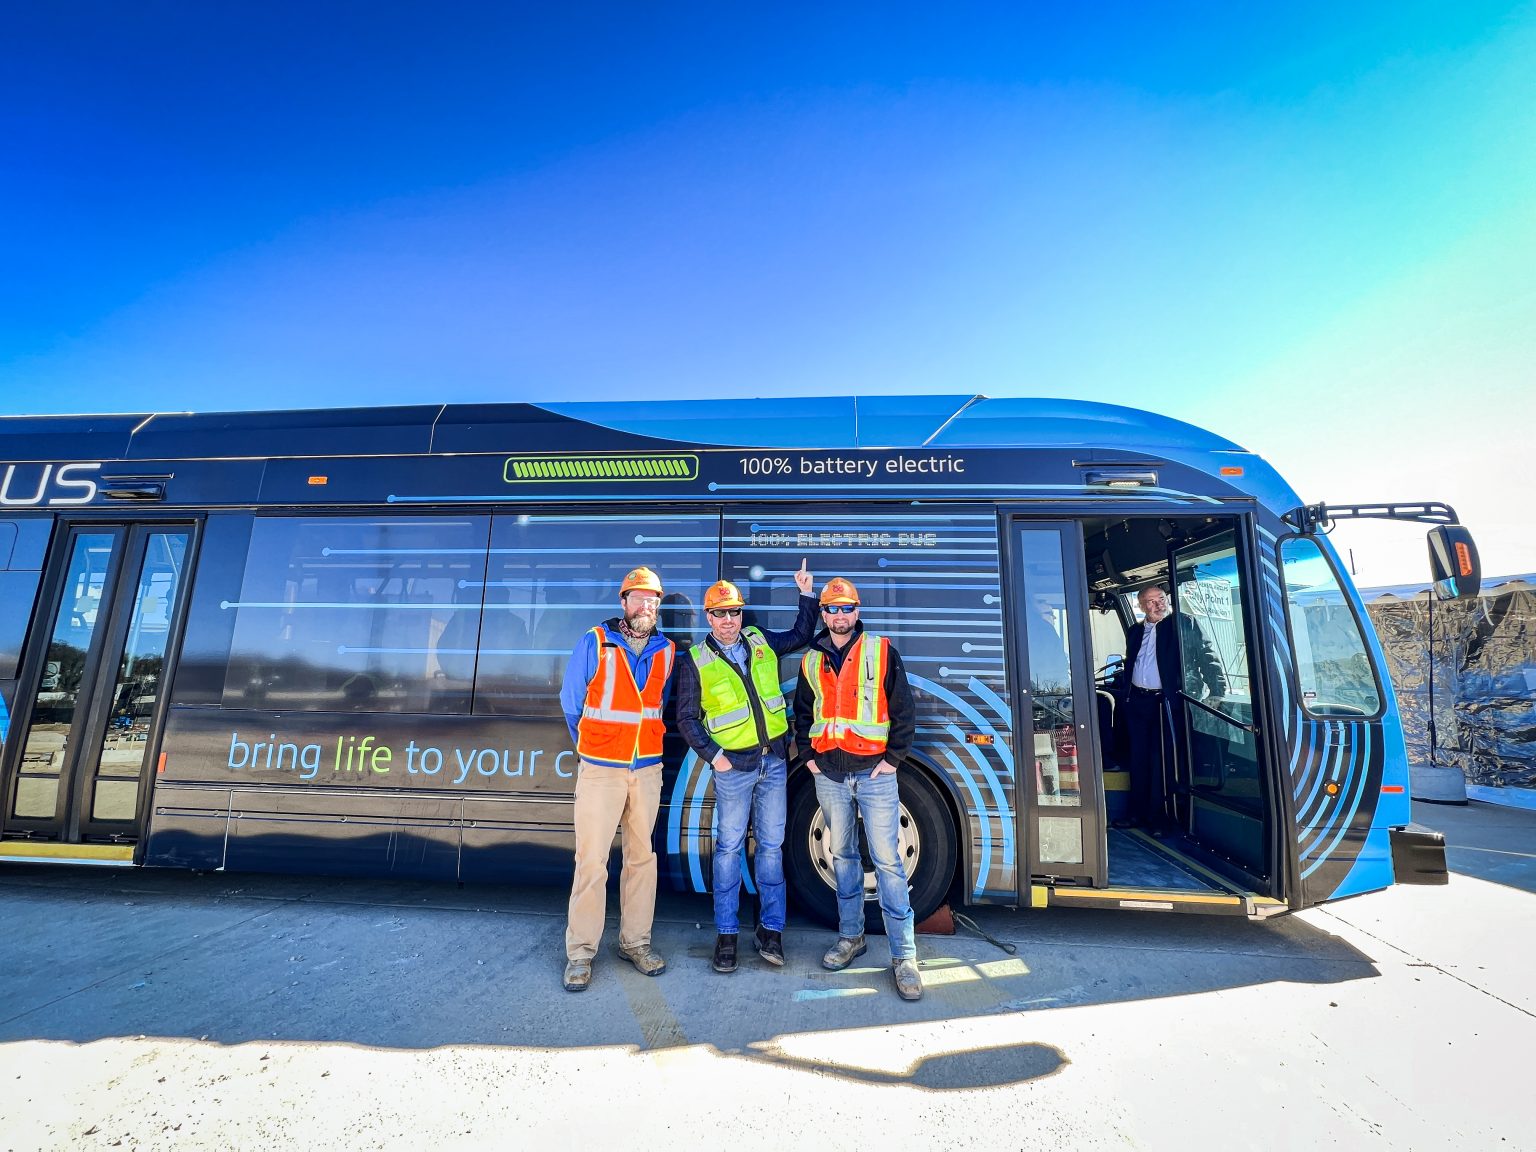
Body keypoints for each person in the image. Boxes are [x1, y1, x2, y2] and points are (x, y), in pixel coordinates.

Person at [675, 561, 818, 974]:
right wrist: (715, 757)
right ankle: (726, 935)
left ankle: (770, 931)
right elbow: (686, 718)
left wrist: (806, 595)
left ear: (742, 614)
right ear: (708, 617)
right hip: (733, 769)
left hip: (773, 762)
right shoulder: (695, 660)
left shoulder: (759, 641)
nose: (728, 620)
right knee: (728, 850)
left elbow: (800, 635)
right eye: (719, 613)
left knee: (771, 850)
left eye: (734, 611)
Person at [791, 577, 922, 1001]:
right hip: (829, 773)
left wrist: (893, 760)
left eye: (846, 608)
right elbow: (803, 712)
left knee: (887, 862)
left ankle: (904, 956)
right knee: (843, 856)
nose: (839, 616)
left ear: (857, 610)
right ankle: (851, 938)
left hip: (874, 775)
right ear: (824, 613)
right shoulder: (812, 659)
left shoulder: (881, 651)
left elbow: (903, 709)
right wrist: (810, 759)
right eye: (831, 609)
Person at [558, 565, 676, 992]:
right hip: (601, 770)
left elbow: (656, 707)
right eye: (639, 597)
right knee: (591, 862)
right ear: (623, 603)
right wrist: (595, 748)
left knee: (642, 859)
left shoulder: (666, 650)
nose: (647, 605)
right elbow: (572, 703)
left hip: (646, 769)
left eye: (654, 599)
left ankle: (635, 943)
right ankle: (580, 954)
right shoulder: (595, 642)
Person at [1118, 584, 1227, 836]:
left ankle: (1159, 819)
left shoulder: (1182, 624)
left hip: (1165, 703)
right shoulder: (1135, 631)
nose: (1158, 605)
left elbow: (1205, 655)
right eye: (1151, 601)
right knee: (1138, 759)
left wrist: (1217, 689)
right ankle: (1136, 813)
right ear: (1140, 606)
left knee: (1162, 762)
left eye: (1161, 599)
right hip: (1138, 703)